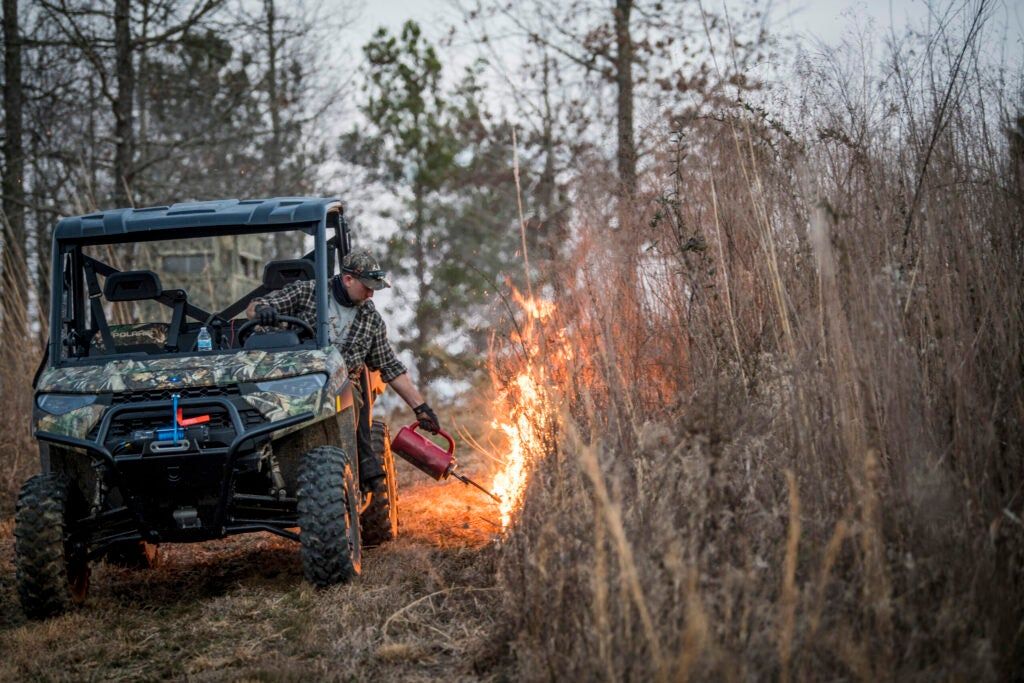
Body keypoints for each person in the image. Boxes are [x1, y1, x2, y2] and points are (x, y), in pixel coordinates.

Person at [245, 248, 440, 489]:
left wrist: (420, 408)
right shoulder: (308, 292)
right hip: (294, 380)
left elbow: (390, 366)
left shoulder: (371, 319)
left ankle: (359, 470)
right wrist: (263, 312)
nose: (371, 294)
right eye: (367, 287)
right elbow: (255, 306)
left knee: (349, 395)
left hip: (342, 387)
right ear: (348, 279)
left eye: (374, 288)